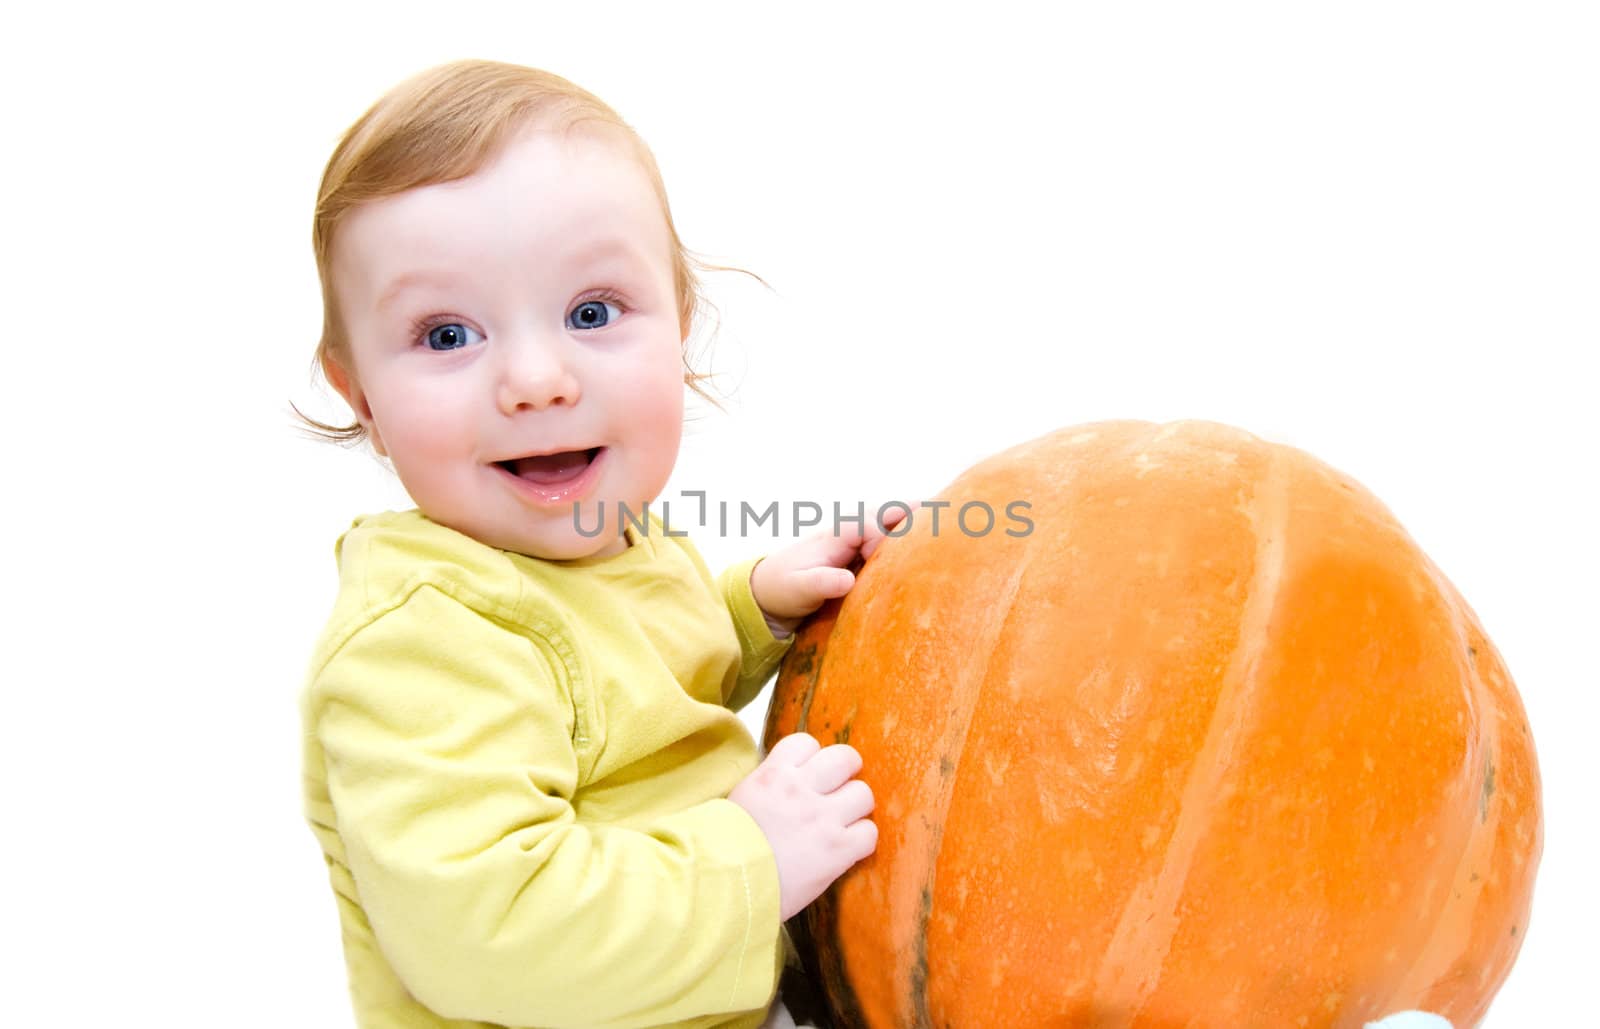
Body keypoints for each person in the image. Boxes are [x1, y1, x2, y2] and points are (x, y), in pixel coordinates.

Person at [294, 59, 892, 1028]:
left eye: (590, 314)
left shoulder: (591, 549)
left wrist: (752, 609)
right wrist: (752, 860)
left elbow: (617, 687)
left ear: (681, 331)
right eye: (447, 335)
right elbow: (492, 937)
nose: (535, 379)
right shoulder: (422, 646)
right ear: (360, 398)